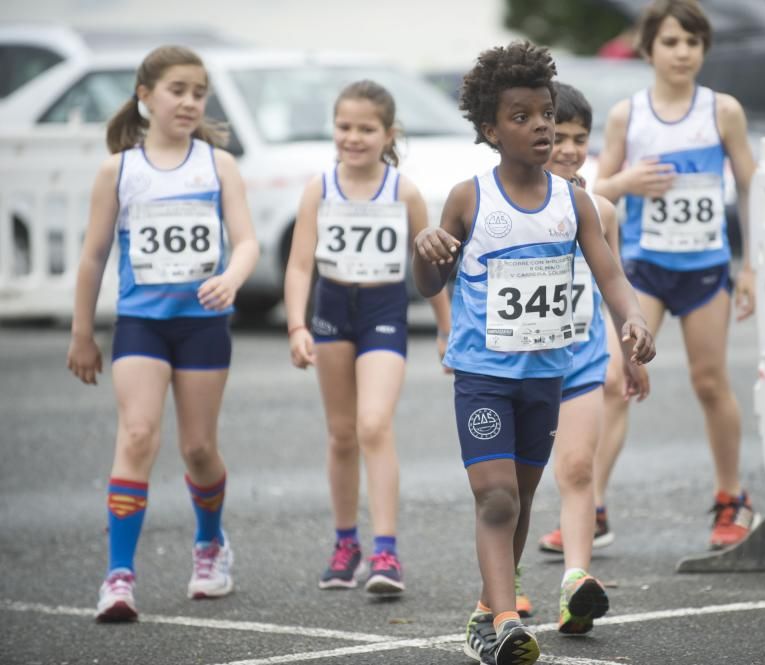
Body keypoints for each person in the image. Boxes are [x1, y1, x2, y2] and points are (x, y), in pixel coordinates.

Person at [413, 41, 655, 665]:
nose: (542, 126)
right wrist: (427, 247)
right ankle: (502, 622)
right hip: (484, 375)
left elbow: (610, 276)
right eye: (522, 117)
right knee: (494, 497)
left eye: (545, 113)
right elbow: (428, 285)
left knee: (518, 499)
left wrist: (632, 320)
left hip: (545, 374)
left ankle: (483, 611)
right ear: (492, 131)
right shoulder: (470, 199)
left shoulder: (572, 203)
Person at [66, 45, 259, 622]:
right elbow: (93, 256)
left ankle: (210, 546)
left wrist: (231, 276)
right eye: (178, 90)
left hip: (202, 327)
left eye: (199, 93)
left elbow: (246, 240)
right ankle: (118, 577)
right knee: (138, 433)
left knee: (198, 448)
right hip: (142, 325)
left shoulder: (218, 164)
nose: (190, 102)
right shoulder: (119, 170)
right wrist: (82, 332)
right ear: (145, 95)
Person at [594, 0, 758, 551]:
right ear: (647, 50)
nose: (682, 52)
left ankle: (731, 497)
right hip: (644, 267)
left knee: (709, 382)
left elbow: (750, 187)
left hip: (706, 268)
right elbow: (596, 192)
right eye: (670, 42)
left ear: (704, 49)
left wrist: (752, 265)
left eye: (691, 42)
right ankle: (589, 506)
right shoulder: (628, 114)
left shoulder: (722, 111)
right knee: (617, 380)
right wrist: (629, 179)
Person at [284, 80, 451, 596]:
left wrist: (448, 329)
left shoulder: (404, 192)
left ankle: (386, 550)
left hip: (383, 311)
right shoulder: (319, 188)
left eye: (365, 128)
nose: (353, 138)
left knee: (374, 424)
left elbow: (429, 269)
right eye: (344, 127)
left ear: (388, 133)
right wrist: (296, 324)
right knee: (341, 433)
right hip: (332, 312)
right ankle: (344, 544)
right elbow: (299, 263)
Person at [531, 81, 650, 635]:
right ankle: (500, 586)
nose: (572, 149)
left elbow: (613, 285)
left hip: (580, 355)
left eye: (581, 138)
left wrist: (630, 353)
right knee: (512, 482)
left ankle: (575, 585)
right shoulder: (506, 207)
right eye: (560, 137)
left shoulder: (601, 209)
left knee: (578, 468)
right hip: (519, 361)